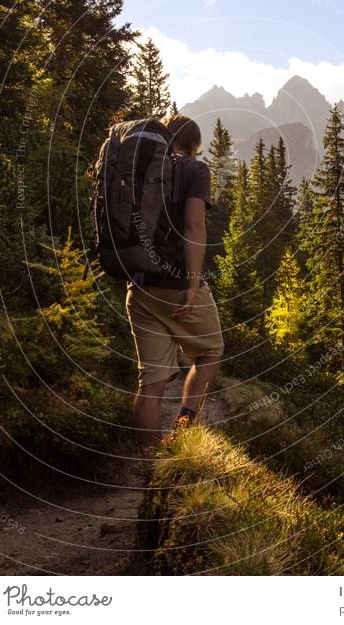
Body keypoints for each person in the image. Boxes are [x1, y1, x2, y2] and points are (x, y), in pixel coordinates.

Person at [125, 114, 224, 453]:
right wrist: (193, 286)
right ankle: (183, 432)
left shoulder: (141, 168)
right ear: (194, 144)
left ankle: (149, 464)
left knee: (151, 382)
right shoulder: (194, 170)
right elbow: (194, 228)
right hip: (176, 283)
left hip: (138, 285)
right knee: (211, 350)